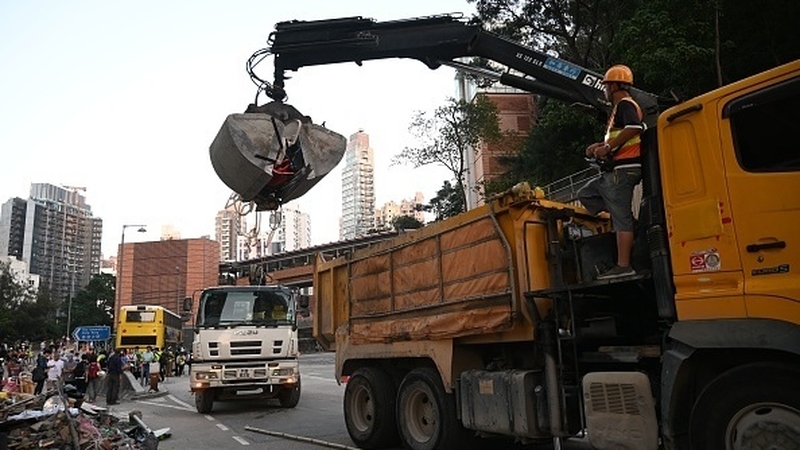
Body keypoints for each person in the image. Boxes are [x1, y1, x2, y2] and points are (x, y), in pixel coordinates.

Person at [578, 64, 644, 280]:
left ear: (615, 85)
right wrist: (599, 144)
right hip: (616, 169)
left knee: (621, 219)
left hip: (624, 169)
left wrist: (607, 148)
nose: (604, 90)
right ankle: (624, 220)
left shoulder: (625, 104)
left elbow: (634, 128)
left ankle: (624, 265)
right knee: (587, 194)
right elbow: (620, 134)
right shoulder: (619, 108)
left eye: (606, 85)